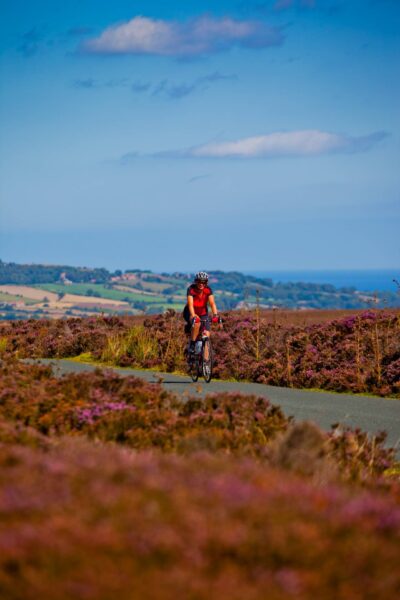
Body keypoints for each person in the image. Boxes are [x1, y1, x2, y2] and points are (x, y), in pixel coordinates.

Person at [183, 271, 220, 357]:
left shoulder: (208, 290)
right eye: (199, 281)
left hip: (203, 313)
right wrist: (193, 315)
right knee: (197, 323)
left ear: (206, 283)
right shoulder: (191, 289)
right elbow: (190, 305)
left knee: (207, 334)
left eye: (203, 282)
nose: (201, 284)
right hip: (190, 311)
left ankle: (206, 362)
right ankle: (192, 344)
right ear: (196, 281)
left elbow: (212, 303)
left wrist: (215, 315)